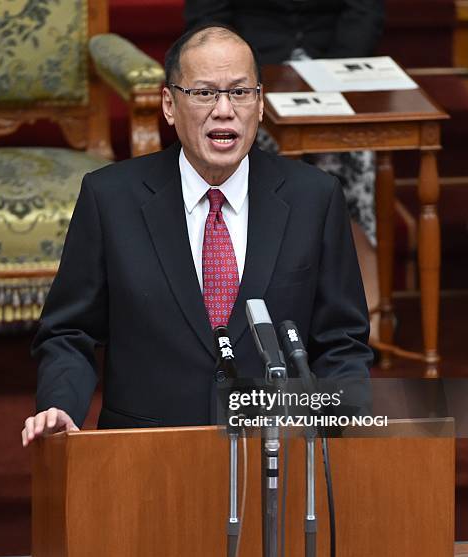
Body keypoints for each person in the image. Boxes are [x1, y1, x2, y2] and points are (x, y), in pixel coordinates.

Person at [21, 24, 372, 446]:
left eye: (240, 93)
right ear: (169, 105)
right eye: (204, 93)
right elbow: (68, 331)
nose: (224, 110)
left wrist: (347, 427)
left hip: (277, 461)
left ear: (260, 105)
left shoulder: (314, 198)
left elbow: (341, 341)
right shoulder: (110, 198)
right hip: (144, 460)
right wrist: (60, 404)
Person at [185, 0, 384, 339]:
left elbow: (364, 11)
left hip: (333, 58)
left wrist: (328, 74)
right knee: (251, 130)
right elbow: (208, 17)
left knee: (355, 146)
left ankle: (361, 304)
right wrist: (246, 71)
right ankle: (264, 301)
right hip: (256, 62)